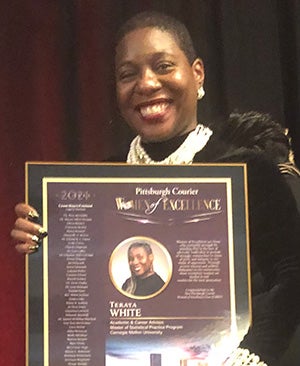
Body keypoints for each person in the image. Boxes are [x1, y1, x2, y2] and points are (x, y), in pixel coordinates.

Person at [11, 11, 300, 366]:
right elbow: (77, 301)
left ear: (197, 74)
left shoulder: (249, 170)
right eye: (127, 74)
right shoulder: (90, 186)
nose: (146, 84)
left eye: (163, 66)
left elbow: (292, 273)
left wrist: (248, 357)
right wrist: (44, 244)